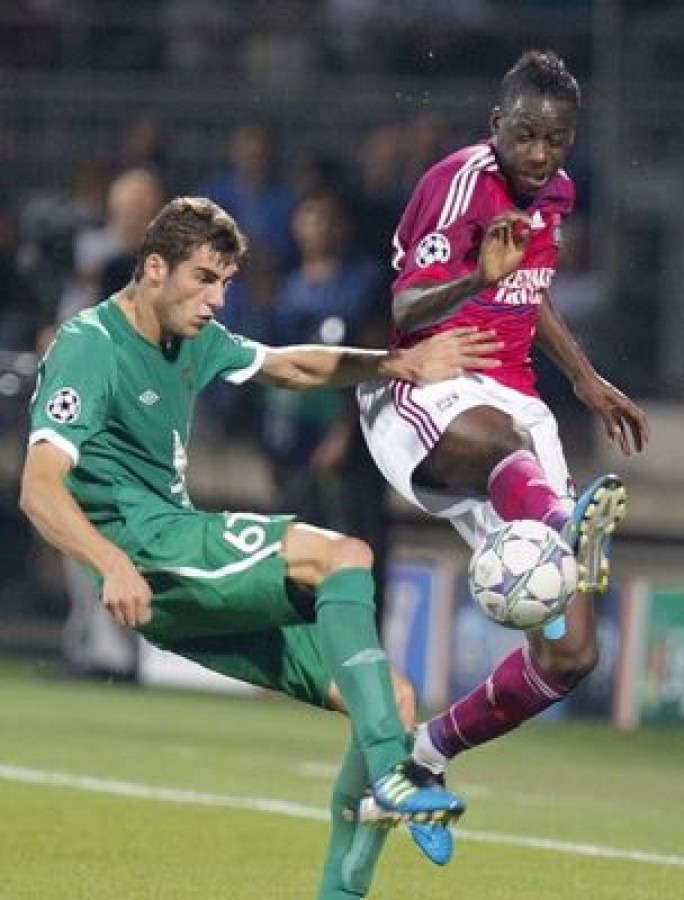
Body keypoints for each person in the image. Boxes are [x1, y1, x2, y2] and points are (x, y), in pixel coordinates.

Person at [19, 197, 504, 898]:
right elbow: (38, 489)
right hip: (149, 548)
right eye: (204, 279)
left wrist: (397, 363)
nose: (217, 301)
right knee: (344, 555)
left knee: (391, 701)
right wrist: (112, 561)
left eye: (225, 284)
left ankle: (347, 877)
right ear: (153, 268)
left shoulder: (191, 336)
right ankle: (395, 775)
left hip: (175, 573)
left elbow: (290, 367)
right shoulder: (89, 345)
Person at [357, 50, 650, 856]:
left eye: (556, 139)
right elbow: (407, 305)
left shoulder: (558, 191)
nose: (539, 154)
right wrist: (474, 278)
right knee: (505, 442)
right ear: (497, 126)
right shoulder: (459, 183)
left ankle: (420, 762)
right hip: (428, 382)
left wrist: (584, 377)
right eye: (525, 135)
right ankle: (560, 520)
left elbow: (530, 285)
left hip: (514, 400)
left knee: (572, 655)